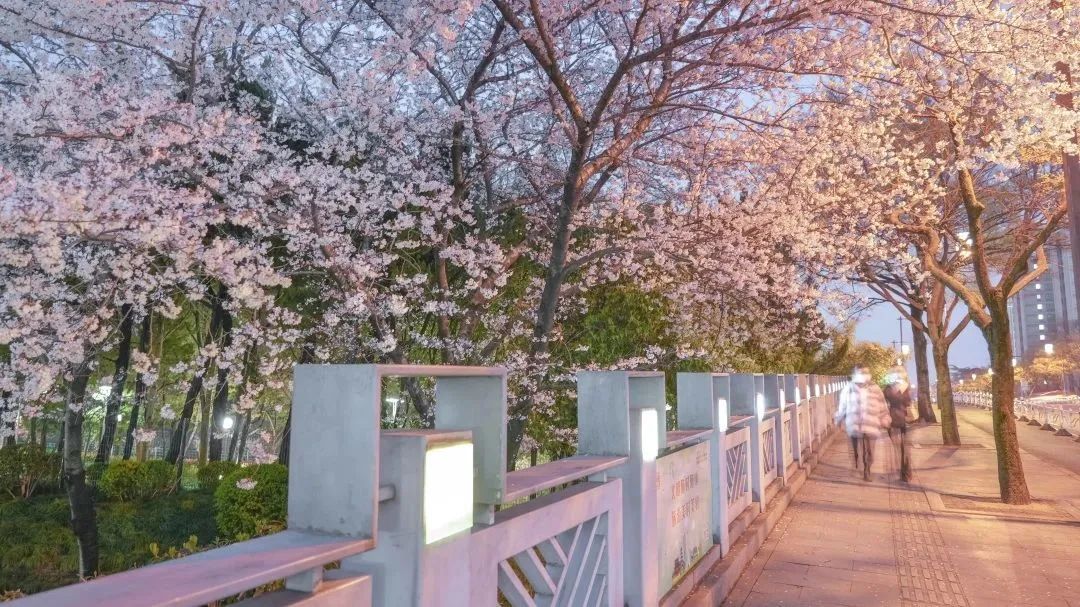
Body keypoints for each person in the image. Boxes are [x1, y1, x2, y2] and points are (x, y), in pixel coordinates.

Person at [836, 365, 891, 481]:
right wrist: (839, 419)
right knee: (858, 449)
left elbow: (882, 404)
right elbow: (842, 405)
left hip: (871, 424)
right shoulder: (849, 388)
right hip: (855, 425)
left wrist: (885, 418)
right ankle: (859, 463)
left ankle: (867, 468)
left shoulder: (875, 388)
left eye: (865, 372)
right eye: (861, 372)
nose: (863, 374)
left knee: (870, 450)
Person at [883, 367, 913, 482]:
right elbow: (906, 402)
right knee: (900, 447)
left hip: (898, 419)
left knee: (901, 448)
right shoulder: (898, 388)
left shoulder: (896, 388)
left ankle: (904, 472)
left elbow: (907, 402)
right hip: (895, 419)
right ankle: (904, 471)